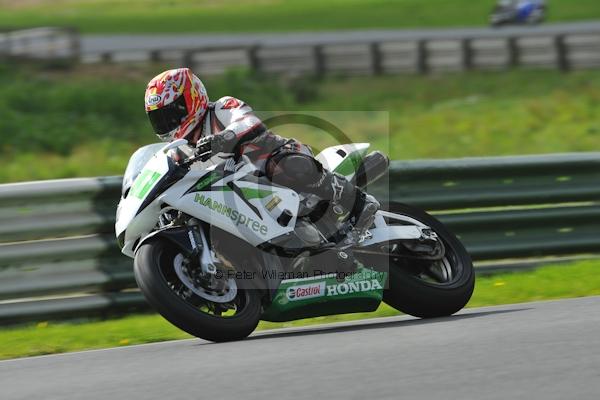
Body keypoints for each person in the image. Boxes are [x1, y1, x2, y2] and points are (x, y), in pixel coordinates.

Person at [144, 67, 380, 246]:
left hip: (278, 160)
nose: (168, 123)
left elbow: (250, 122)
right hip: (242, 193)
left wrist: (224, 137)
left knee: (280, 166)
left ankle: (359, 203)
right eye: (161, 118)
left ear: (192, 98)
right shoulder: (179, 149)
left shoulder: (221, 109)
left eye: (173, 113)